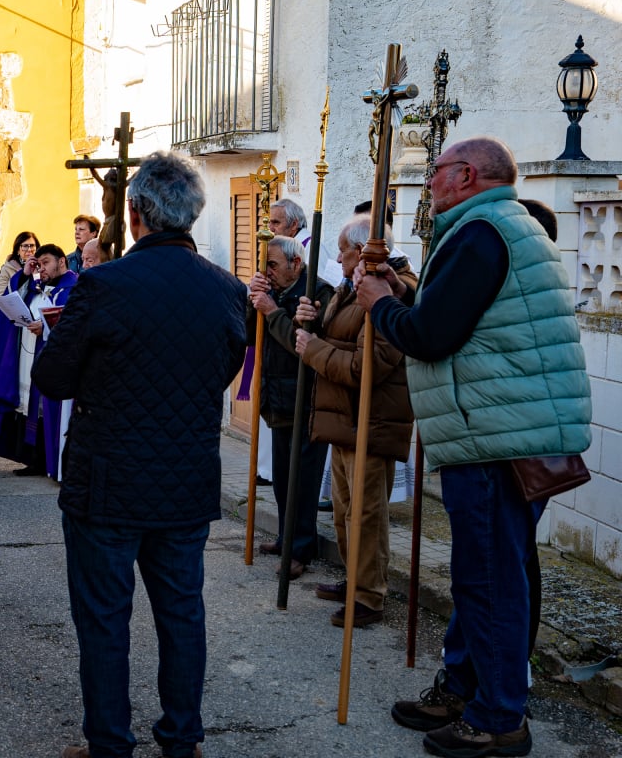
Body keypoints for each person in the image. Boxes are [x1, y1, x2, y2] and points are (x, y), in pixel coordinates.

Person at [356, 136, 591, 757]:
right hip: (502, 430)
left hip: (496, 439)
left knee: (489, 579)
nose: (429, 182)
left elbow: (431, 336)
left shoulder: (481, 231)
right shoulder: (498, 227)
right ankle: (463, 685)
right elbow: (462, 318)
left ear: (464, 175)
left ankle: (498, 717)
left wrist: (381, 306)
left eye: (435, 171)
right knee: (482, 572)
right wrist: (406, 296)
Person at [31, 150, 247, 758]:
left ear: (133, 216)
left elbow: (53, 378)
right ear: (191, 215)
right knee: (182, 613)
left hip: (108, 481)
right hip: (185, 478)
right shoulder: (227, 290)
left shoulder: (103, 285)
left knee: (104, 617)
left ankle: (109, 743)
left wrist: (57, 334)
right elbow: (223, 370)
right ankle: (182, 739)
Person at [293, 216, 416, 628]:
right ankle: (354, 582)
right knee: (346, 511)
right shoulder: (351, 286)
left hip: (370, 419)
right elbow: (335, 337)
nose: (339, 259)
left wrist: (312, 350)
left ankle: (369, 596)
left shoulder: (385, 290)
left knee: (365, 514)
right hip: (343, 419)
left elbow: (370, 366)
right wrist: (309, 320)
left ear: (362, 251)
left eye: (345, 251)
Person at [247, 235, 334, 579]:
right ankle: (286, 539)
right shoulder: (274, 290)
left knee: (304, 479)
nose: (267, 272)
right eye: (264, 266)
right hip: (277, 398)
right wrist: (251, 297)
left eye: (273, 265)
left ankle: (300, 548)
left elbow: (301, 346)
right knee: (283, 478)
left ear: (295, 264)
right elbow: (248, 331)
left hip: (306, 400)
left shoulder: (317, 292)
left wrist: (271, 310)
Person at [0, 243, 77, 478]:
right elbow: (13, 295)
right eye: (39, 264)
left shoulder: (72, 287)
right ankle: (33, 460)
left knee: (45, 410)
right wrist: (25, 273)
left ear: (62, 262)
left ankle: (49, 462)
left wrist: (47, 326)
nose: (42, 269)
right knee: (29, 408)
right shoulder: (38, 286)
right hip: (28, 357)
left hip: (52, 362)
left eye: (46, 263)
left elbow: (74, 319)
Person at [270, 198, 343, 288]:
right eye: (269, 223)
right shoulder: (282, 247)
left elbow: (318, 289)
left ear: (294, 225)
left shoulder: (312, 247)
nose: (270, 228)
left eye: (275, 223)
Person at [0, 231, 39, 296]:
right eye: (25, 246)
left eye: (32, 246)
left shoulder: (42, 267)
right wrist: (23, 276)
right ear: (18, 250)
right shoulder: (7, 269)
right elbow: (1, 296)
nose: (29, 249)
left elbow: (48, 292)